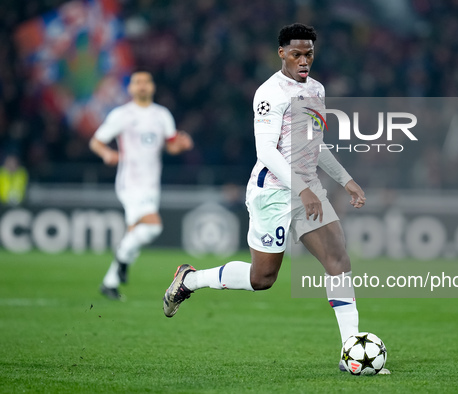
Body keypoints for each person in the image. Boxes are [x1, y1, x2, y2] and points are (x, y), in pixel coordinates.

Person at [162, 23, 388, 374]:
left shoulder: (316, 89)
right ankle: (190, 279)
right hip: (274, 192)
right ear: (281, 53)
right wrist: (301, 187)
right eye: (296, 53)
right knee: (262, 279)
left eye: (309, 53)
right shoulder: (270, 93)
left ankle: (351, 353)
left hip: (307, 190)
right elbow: (266, 150)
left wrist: (346, 180)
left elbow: (316, 144)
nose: (304, 60)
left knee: (338, 261)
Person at [90, 70, 193, 300]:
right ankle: (123, 260)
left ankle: (110, 282)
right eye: (137, 82)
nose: (142, 85)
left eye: (146, 81)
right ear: (131, 88)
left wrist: (182, 145)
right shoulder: (122, 114)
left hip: (152, 183)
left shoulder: (162, 115)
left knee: (134, 233)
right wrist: (107, 154)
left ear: (152, 86)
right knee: (152, 227)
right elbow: (96, 141)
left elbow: (170, 146)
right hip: (130, 182)